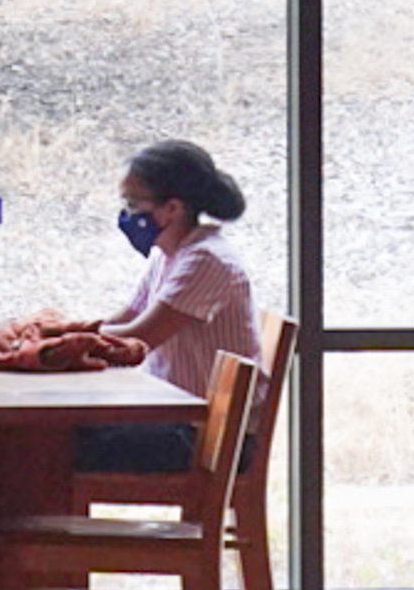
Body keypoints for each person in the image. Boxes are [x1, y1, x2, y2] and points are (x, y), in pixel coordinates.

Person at [44, 139, 260, 474]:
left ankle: (38, 527)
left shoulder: (207, 260)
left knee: (43, 443)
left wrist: (51, 342)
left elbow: (139, 337)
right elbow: (124, 317)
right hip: (176, 420)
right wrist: (55, 332)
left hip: (204, 438)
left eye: (133, 203)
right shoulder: (168, 253)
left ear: (172, 208)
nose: (127, 214)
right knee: (44, 436)